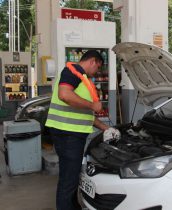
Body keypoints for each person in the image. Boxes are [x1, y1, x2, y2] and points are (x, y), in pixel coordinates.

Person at [45, 50, 120, 210]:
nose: (97, 73)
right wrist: (93, 105)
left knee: (70, 176)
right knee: (69, 180)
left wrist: (105, 127)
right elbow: (64, 94)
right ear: (93, 61)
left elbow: (83, 113)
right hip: (68, 135)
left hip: (68, 134)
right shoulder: (73, 72)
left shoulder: (81, 78)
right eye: (98, 68)